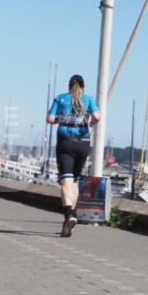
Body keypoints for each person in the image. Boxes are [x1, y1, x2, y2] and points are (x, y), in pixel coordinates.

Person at [46, 74, 101, 237]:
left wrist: (61, 119)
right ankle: (73, 216)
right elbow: (97, 116)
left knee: (66, 181)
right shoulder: (89, 99)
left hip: (65, 142)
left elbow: (49, 118)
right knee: (75, 180)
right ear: (82, 88)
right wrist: (89, 123)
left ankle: (69, 214)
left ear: (69, 87)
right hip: (83, 143)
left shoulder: (61, 98)